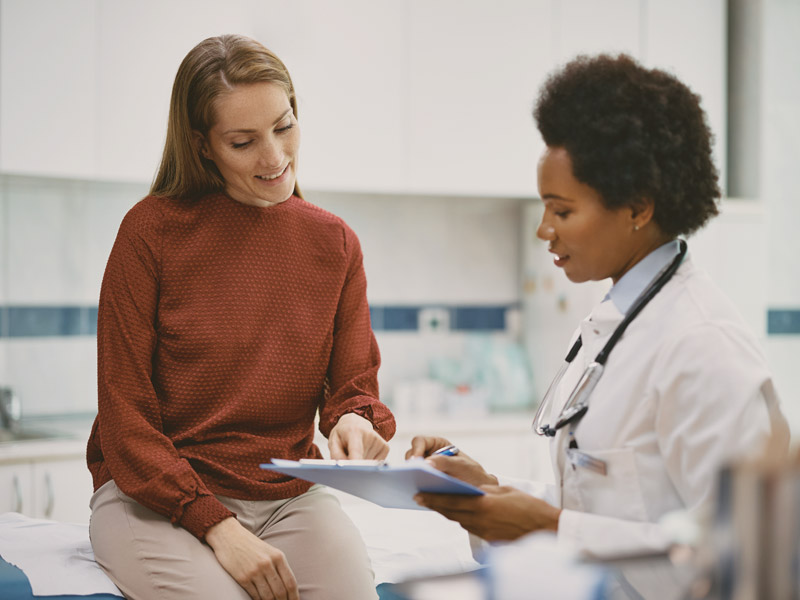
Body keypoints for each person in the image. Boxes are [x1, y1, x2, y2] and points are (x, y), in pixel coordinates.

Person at [408, 54, 789, 559]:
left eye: (561, 210)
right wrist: (487, 490)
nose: (544, 230)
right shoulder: (613, 324)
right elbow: (607, 511)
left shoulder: (704, 346)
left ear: (637, 208)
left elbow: (745, 553)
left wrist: (549, 529)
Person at [86, 34, 395, 600]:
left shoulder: (335, 243)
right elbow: (124, 421)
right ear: (203, 146)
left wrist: (355, 423)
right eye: (243, 141)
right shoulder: (150, 233)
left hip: (289, 497)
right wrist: (216, 524)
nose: (275, 158)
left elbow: (352, 388)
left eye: (284, 126)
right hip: (153, 498)